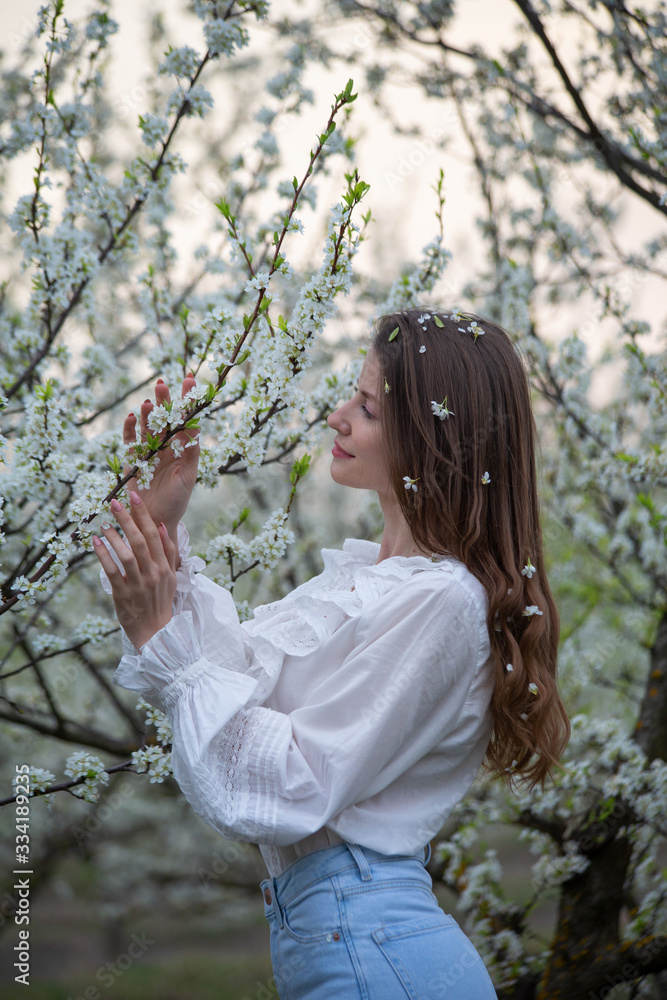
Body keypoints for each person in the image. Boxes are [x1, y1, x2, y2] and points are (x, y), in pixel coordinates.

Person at [94, 307, 570, 1000]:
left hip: (370, 953)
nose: (337, 417)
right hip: (343, 940)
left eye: (368, 408)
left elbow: (293, 783)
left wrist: (165, 649)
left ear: (436, 437)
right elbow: (240, 684)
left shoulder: (440, 601)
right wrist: (162, 528)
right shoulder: (373, 582)